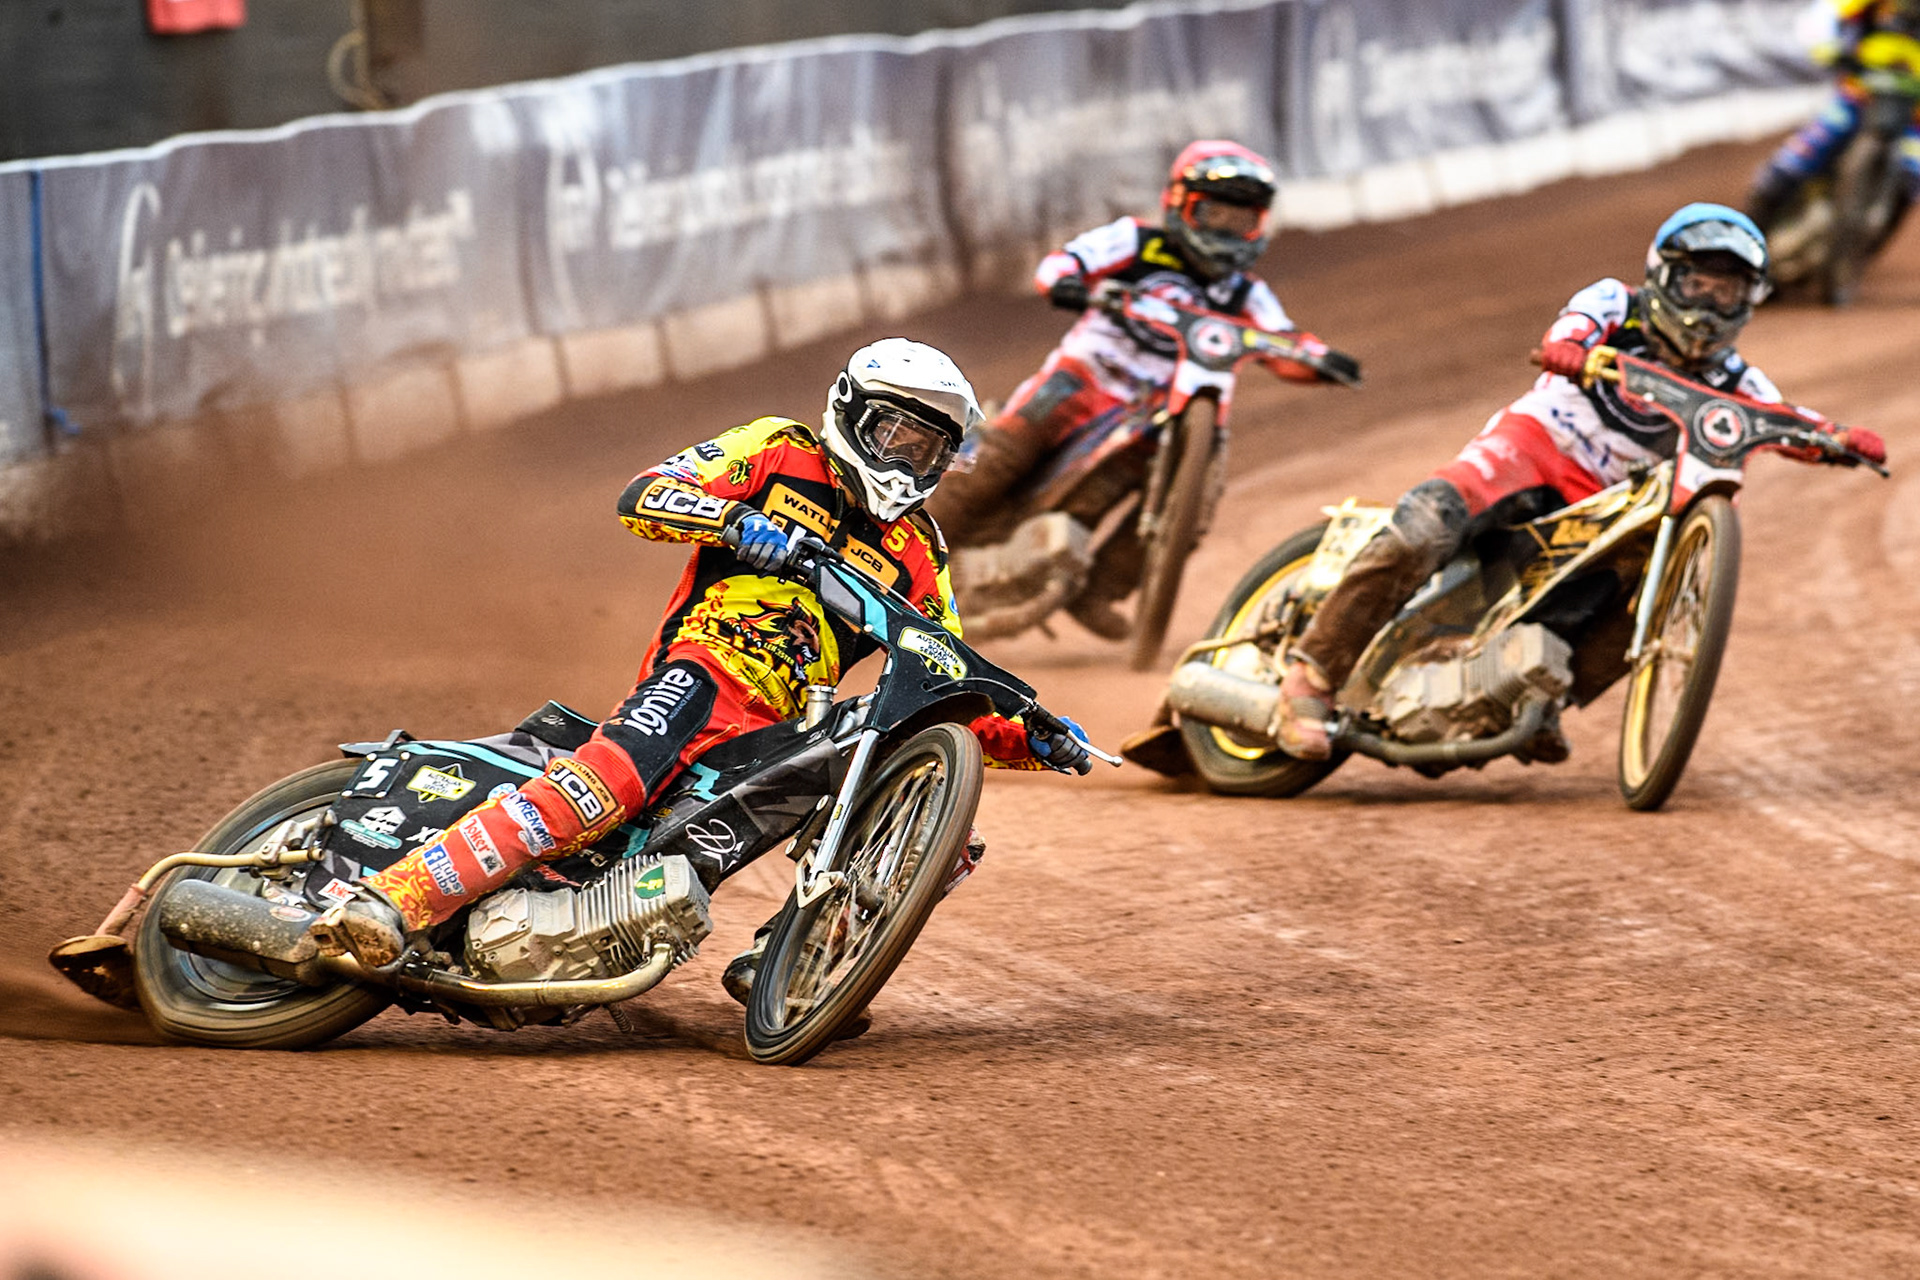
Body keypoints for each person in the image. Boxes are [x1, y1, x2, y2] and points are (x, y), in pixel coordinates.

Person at [310, 338, 1090, 1003]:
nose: (907, 459)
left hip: (789, 721)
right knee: (608, 786)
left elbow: (938, 671)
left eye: (927, 448)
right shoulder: (781, 451)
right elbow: (644, 493)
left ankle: (796, 965)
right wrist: (735, 519)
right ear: (852, 412)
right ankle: (395, 898)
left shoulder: (919, 551)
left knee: (941, 832)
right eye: (895, 434)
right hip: (703, 670)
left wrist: (1031, 735)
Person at [1271, 203, 1888, 760]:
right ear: (1665, 278)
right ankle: (1311, 678)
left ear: (1749, 302)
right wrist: (1567, 345)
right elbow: (1571, 326)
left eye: (1727, 292)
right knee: (1423, 529)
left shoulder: (1740, 384)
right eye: (1698, 283)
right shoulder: (1616, 305)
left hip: (1613, 510)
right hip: (1537, 451)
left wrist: (1837, 439)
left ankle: (1536, 695)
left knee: (1658, 592)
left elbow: (1783, 422)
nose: (1708, 306)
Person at [925, 139, 1355, 638]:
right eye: (1213, 214)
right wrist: (1067, 281)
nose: (1225, 231)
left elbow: (1284, 346)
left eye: (1239, 221)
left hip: (1163, 409)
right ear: (1179, 205)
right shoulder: (1135, 241)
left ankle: (1101, 589)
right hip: (1085, 376)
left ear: (1258, 225)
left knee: (1192, 505)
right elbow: (1063, 265)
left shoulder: (1246, 292)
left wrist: (1320, 360)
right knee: (1003, 454)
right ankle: (912, 546)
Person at [1747, 0, 1920, 234]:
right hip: (1859, 95)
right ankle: (1749, 233)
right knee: (1794, 162)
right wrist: (1830, 49)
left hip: (1912, 116)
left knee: (1913, 177)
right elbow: (1825, 15)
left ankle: (1871, 242)